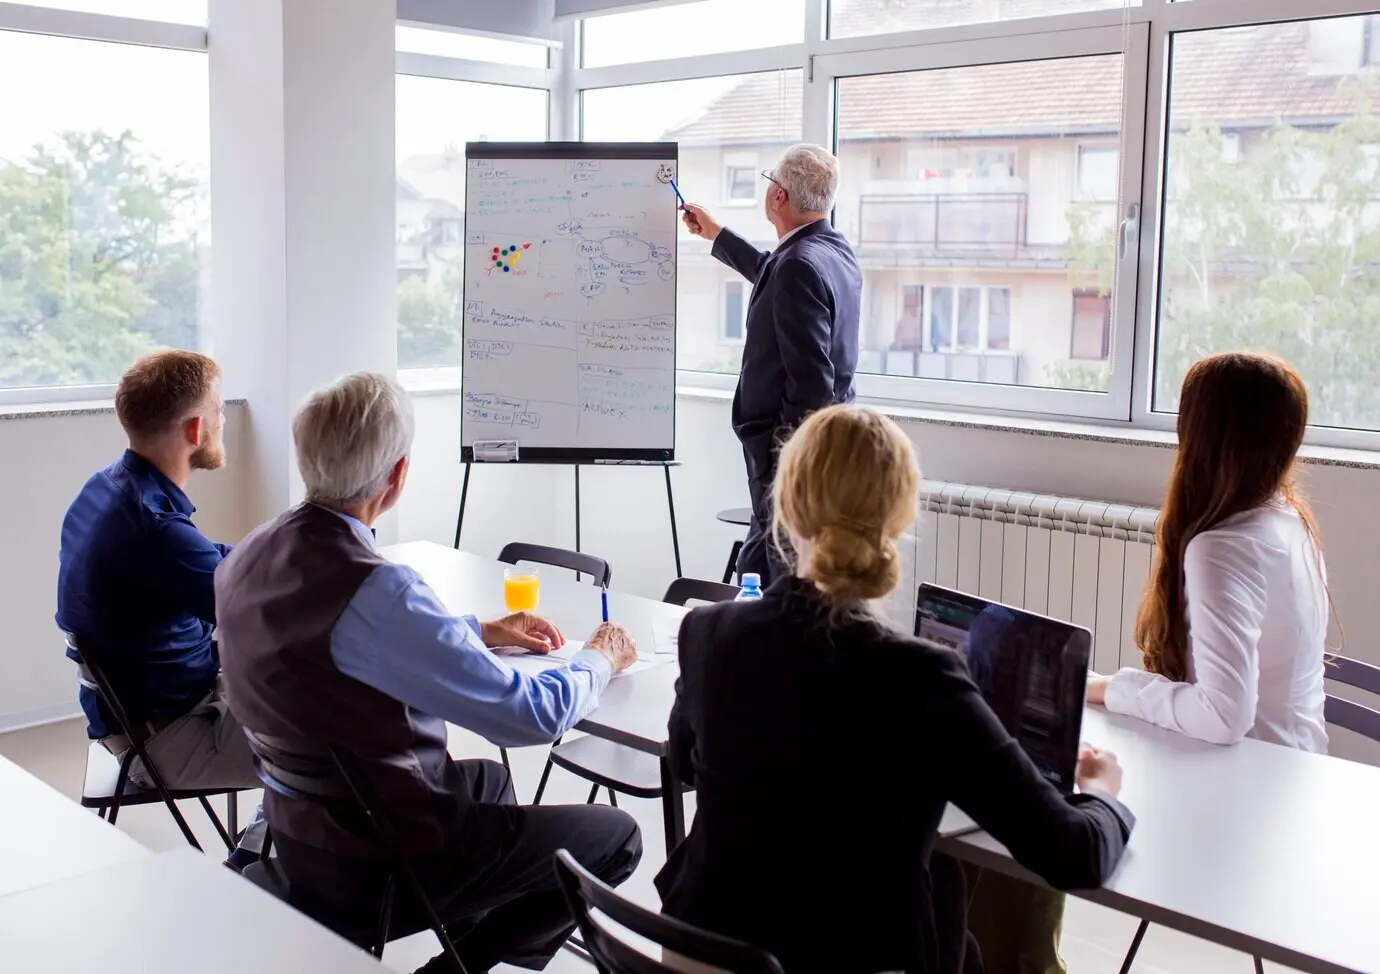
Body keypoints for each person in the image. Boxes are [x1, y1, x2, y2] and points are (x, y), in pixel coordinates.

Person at [656, 404, 1134, 974]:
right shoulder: (922, 679)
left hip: (694, 949)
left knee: (954, 903)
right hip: (843, 959)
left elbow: (686, 762)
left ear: (785, 506)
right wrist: (1105, 795)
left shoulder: (707, 631)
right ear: (900, 521)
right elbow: (1072, 854)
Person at [215, 372, 643, 974]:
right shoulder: (379, 589)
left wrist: (477, 631)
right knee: (616, 835)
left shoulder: (250, 552)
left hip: (300, 839)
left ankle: (474, 951)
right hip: (380, 859)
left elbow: (338, 648)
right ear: (397, 476)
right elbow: (530, 716)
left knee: (489, 782)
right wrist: (600, 657)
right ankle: (457, 968)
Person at [55, 350, 266, 870]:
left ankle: (259, 851)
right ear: (196, 429)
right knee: (333, 729)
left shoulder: (107, 488)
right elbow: (265, 611)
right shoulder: (154, 531)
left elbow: (211, 561)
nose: (222, 421)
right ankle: (261, 871)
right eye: (217, 411)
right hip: (165, 740)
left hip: (134, 716)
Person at [1087, 351, 1330, 752]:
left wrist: (1111, 688)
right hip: (1298, 764)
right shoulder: (1290, 521)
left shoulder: (1221, 547)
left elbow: (1222, 717)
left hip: (1250, 774)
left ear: (1196, 435)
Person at [681, 143, 861, 585]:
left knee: (778, 575)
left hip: (789, 457)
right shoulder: (832, 251)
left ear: (778, 197)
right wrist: (717, 235)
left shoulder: (799, 264)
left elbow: (812, 383)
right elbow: (773, 272)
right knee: (758, 568)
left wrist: (781, 461)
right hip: (817, 449)